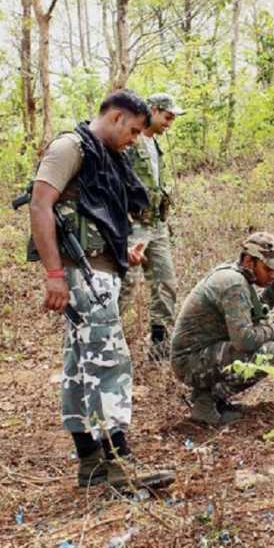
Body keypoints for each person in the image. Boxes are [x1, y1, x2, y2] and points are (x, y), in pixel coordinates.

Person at [29, 89, 175, 491]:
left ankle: (90, 462)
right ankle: (120, 464)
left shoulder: (104, 156)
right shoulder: (69, 147)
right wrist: (54, 273)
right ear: (114, 118)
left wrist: (120, 249)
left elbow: (90, 214)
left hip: (98, 268)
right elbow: (41, 206)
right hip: (82, 275)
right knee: (109, 363)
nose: (133, 140)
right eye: (132, 131)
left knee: (80, 366)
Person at [170, 232, 274, 426]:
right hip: (189, 361)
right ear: (249, 260)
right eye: (268, 269)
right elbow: (245, 340)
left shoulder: (237, 276)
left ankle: (212, 399)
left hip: (200, 355)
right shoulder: (233, 284)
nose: (272, 274)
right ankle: (206, 403)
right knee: (269, 353)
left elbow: (258, 311)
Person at [119, 92, 184, 361]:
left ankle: (159, 345)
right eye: (167, 116)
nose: (170, 123)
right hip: (133, 226)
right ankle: (105, 341)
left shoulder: (156, 145)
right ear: (154, 111)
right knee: (126, 287)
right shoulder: (130, 143)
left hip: (156, 225)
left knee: (165, 283)